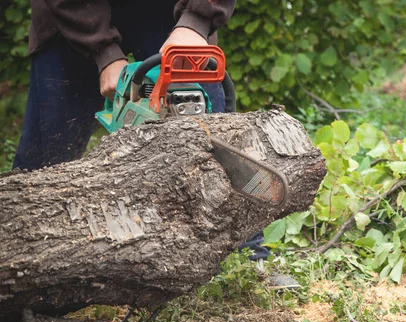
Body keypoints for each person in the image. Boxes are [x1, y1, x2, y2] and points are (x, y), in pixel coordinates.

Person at [13, 0, 299, 291]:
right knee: (46, 155)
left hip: (171, 10)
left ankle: (249, 259)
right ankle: (19, 269)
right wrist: (105, 52)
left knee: (211, 124)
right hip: (72, 16)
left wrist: (196, 21)